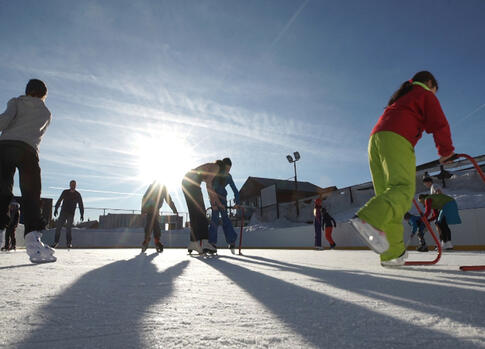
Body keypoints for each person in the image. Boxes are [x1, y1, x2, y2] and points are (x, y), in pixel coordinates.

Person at [349, 71, 456, 267]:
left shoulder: (403, 97)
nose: (434, 93)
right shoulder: (424, 93)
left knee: (388, 197)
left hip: (375, 140)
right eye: (435, 90)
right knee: (403, 189)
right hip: (397, 138)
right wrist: (446, 151)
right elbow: (439, 123)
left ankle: (393, 254)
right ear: (429, 83)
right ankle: (369, 218)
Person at [0, 79, 55, 263]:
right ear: (43, 94)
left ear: (27, 90)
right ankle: (33, 243)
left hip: (6, 146)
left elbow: (5, 120)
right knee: (31, 195)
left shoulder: (16, 102)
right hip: (29, 152)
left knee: (3, 189)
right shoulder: (46, 113)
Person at [182, 160, 226, 254]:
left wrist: (217, 203)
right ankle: (205, 243)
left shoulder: (208, 168)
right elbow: (208, 185)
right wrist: (214, 205)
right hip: (192, 183)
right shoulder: (216, 167)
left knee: (194, 214)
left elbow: (211, 189)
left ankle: (193, 242)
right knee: (201, 214)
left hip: (186, 181)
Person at [208, 158, 239, 253]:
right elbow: (212, 188)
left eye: (229, 169)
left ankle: (231, 241)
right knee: (215, 218)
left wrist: (237, 202)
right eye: (226, 168)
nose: (227, 171)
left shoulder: (228, 176)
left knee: (225, 218)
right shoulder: (217, 173)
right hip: (214, 197)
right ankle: (212, 243)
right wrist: (215, 202)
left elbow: (235, 190)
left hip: (223, 198)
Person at [141, 181, 178, 253]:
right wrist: (143, 210)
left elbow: (169, 200)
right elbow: (145, 197)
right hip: (150, 208)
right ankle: (151, 241)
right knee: (152, 225)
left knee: (155, 225)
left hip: (156, 210)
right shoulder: (152, 187)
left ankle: (153, 241)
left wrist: (174, 209)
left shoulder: (163, 188)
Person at [52, 180, 84, 248]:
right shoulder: (65, 192)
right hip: (63, 212)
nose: (73, 186)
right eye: (72, 184)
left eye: (74, 185)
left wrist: (82, 214)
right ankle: (56, 242)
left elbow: (81, 204)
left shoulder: (77, 194)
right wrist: (56, 209)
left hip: (71, 214)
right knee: (58, 227)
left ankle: (69, 243)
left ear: (75, 186)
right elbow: (59, 200)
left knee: (68, 228)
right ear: (70, 185)